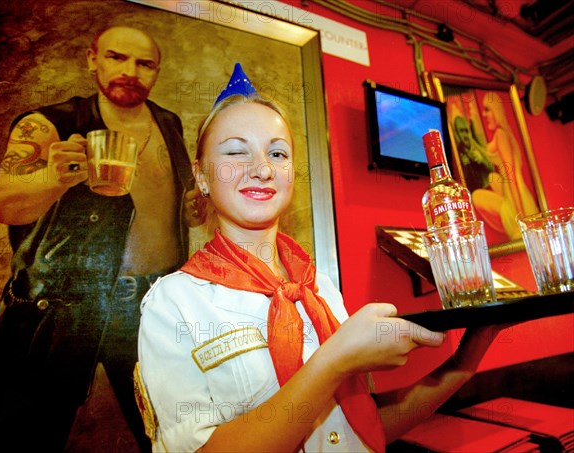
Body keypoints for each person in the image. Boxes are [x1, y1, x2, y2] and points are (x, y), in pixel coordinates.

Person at [136, 64, 507, 452]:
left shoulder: (318, 288)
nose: (262, 169)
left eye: (277, 153)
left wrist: (468, 356)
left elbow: (361, 429)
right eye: (235, 152)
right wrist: (335, 361)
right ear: (202, 176)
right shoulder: (173, 303)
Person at [0, 26, 201, 452]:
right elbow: (4, 203)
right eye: (117, 57)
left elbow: (176, 204)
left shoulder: (168, 122)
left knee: (171, 438)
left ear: (157, 71)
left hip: (153, 306)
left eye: (144, 63)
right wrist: (51, 179)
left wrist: (192, 210)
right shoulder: (49, 124)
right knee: (19, 437)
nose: (130, 71)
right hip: (56, 311)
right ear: (92, 59)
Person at [472, 92, 539, 240]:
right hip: (512, 193)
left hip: (516, 197)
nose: (484, 114)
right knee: (492, 178)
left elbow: (512, 175)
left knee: (477, 196)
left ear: (496, 111)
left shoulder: (501, 135)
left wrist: (520, 214)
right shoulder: (500, 135)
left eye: (487, 109)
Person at [453, 115, 494, 192]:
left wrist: (482, 161)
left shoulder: (477, 146)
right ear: (457, 133)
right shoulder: (458, 154)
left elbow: (492, 169)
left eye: (466, 131)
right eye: (461, 131)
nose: (465, 135)